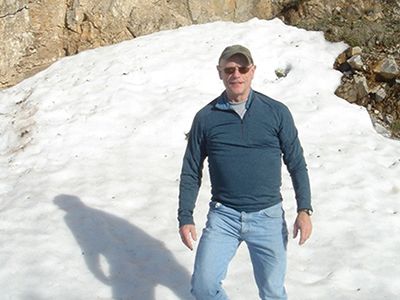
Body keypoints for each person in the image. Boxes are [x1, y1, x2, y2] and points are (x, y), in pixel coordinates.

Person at [177, 45, 313, 300]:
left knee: (272, 292)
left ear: (252, 71)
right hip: (223, 217)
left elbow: (296, 163)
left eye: (242, 68)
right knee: (204, 288)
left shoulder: (276, 112)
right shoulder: (205, 118)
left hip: (268, 217)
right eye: (229, 69)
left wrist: (304, 210)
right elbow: (191, 170)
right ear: (220, 73)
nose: (236, 74)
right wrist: (185, 216)